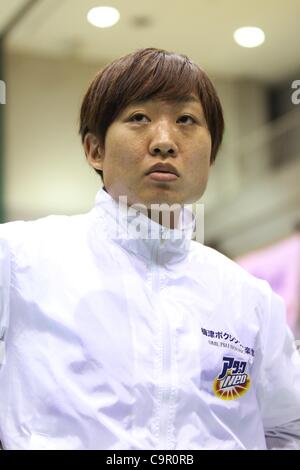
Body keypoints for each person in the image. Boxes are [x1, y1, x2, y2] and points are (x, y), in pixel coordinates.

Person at [0, 47, 300, 451]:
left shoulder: (250, 299)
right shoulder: (18, 259)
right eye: (139, 118)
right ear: (95, 150)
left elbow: (287, 428)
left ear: (211, 157)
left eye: (186, 120)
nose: (164, 142)